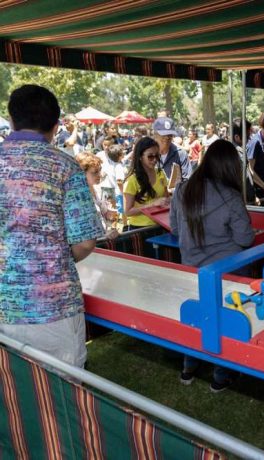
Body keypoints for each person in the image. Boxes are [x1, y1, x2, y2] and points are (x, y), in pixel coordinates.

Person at [0, 84, 103, 367]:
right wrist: (51, 259)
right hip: (55, 309)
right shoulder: (65, 167)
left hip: (4, 304)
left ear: (11, 120)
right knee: (60, 398)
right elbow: (84, 242)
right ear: (56, 126)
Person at [170, 139, 254, 392]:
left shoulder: (182, 190)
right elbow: (245, 238)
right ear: (229, 166)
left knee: (195, 316)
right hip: (227, 272)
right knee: (225, 321)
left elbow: (175, 229)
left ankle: (189, 367)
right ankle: (221, 376)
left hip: (191, 268)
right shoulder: (231, 197)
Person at [123, 136, 170, 230]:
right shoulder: (132, 180)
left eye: (157, 155)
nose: (155, 159)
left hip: (161, 224)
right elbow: (128, 211)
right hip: (140, 228)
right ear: (140, 157)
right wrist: (151, 205)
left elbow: (166, 198)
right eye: (150, 156)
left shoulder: (160, 173)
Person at [76, 153, 119, 240]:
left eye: (99, 170)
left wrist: (111, 226)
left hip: (103, 240)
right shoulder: (77, 196)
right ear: (81, 174)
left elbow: (108, 215)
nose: (99, 175)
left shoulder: (97, 189)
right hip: (91, 246)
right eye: (95, 172)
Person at [152, 117, 192, 183]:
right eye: (164, 134)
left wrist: (174, 190)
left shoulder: (181, 154)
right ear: (155, 134)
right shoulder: (146, 153)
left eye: (170, 135)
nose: (167, 137)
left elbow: (187, 182)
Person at [232, 118, 256, 202]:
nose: (249, 138)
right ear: (237, 137)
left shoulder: (240, 150)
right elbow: (244, 180)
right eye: (247, 135)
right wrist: (251, 198)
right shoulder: (237, 154)